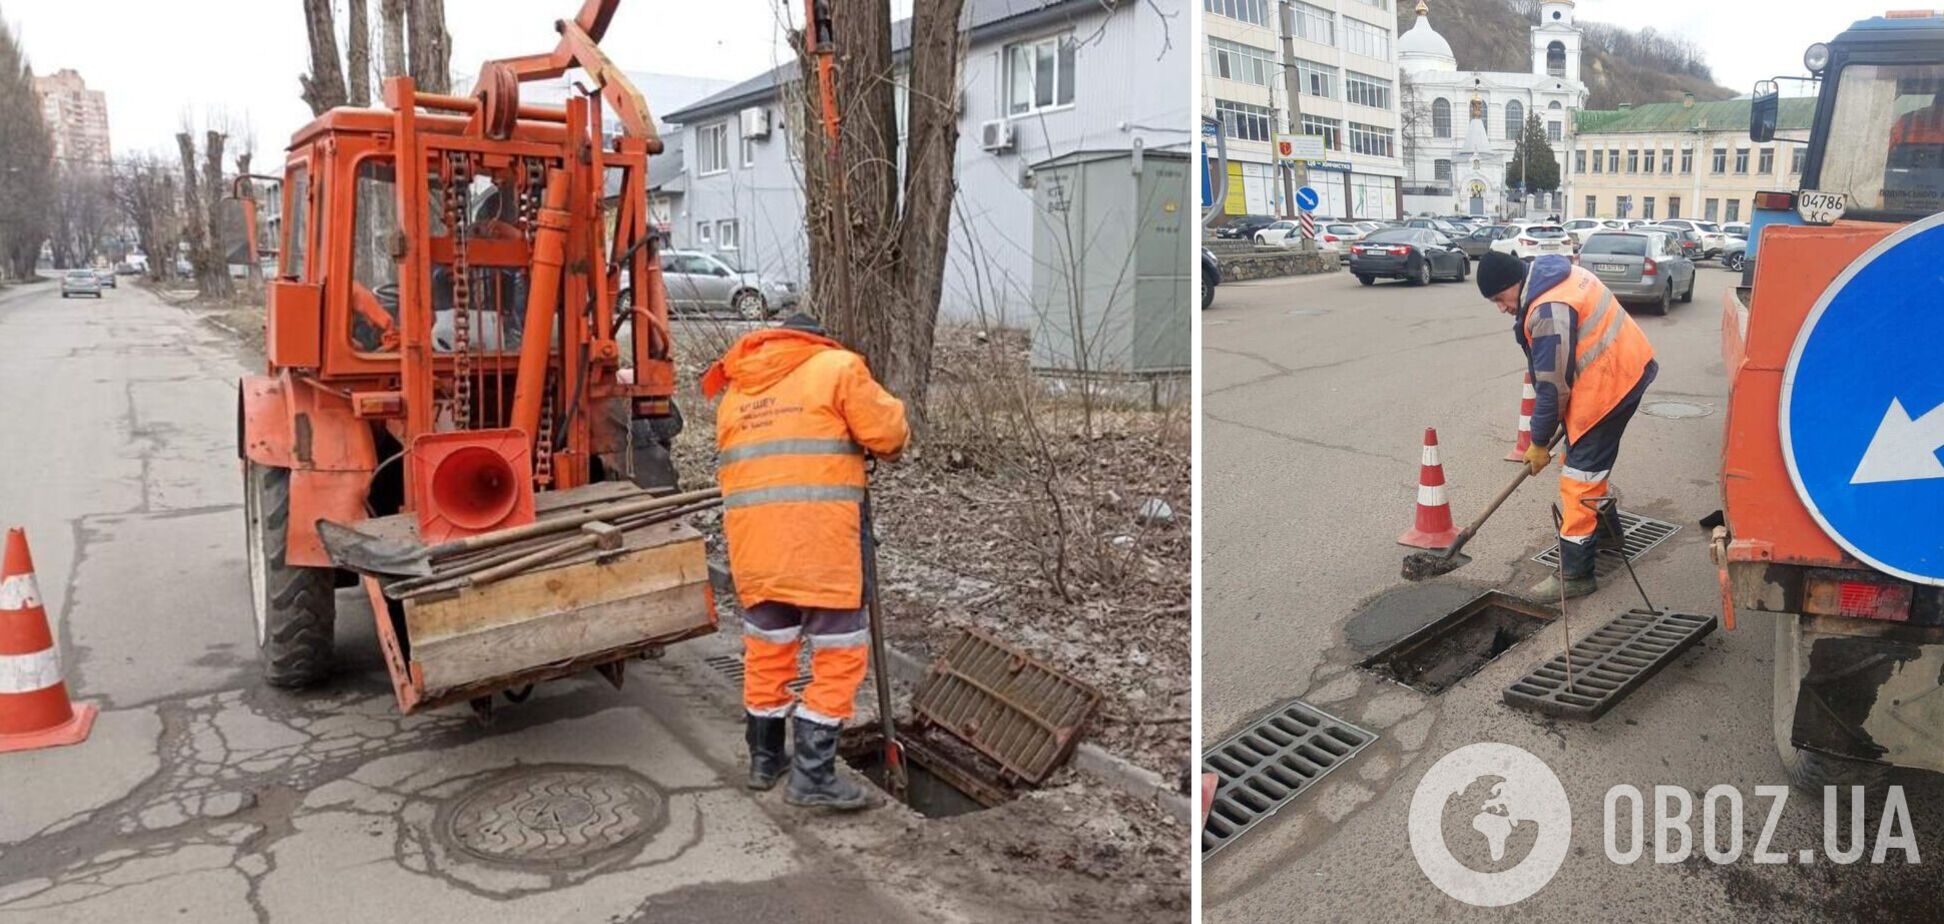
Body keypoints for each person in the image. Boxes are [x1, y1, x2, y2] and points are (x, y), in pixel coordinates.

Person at [701, 312, 909, 810]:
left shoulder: (737, 391)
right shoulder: (836, 369)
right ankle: (813, 775)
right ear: (815, 341)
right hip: (822, 548)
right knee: (839, 655)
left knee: (768, 652)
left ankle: (764, 760)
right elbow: (890, 435)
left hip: (756, 552)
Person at [1475, 251, 1657, 599]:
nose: (1501, 308)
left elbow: (1551, 388)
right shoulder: (1557, 274)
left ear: (1515, 283)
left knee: (1579, 479)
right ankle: (1606, 534)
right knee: (1585, 467)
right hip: (1625, 367)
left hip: (1611, 386)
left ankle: (1575, 575)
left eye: (1500, 298)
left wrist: (1539, 442)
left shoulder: (1548, 310)